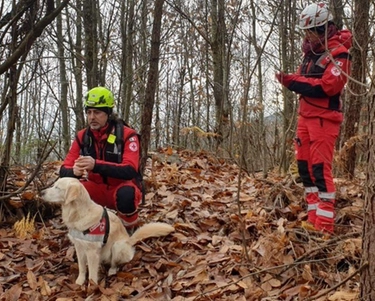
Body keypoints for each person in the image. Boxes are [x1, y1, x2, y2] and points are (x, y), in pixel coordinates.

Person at [275, 3, 352, 233]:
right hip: (305, 117)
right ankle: (312, 221)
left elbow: (329, 87)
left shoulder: (339, 53)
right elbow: (305, 79)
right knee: (305, 169)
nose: (307, 36)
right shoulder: (310, 53)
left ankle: (325, 228)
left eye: (310, 31)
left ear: (322, 29)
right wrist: (293, 79)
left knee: (320, 170)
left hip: (324, 120)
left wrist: (292, 81)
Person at [59, 86, 142, 229]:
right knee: (72, 191)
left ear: (108, 114)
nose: (92, 117)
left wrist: (96, 165)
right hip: (95, 188)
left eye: (97, 112)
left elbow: (130, 170)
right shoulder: (82, 136)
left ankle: (129, 229)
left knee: (126, 195)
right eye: (89, 112)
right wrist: (74, 172)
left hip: (120, 187)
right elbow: (64, 170)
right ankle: (86, 229)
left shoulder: (128, 135)